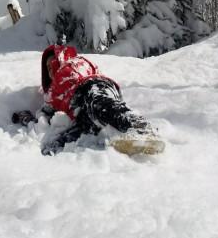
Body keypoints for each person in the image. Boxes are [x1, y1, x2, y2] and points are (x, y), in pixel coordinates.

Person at [12, 44, 155, 155]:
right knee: (53, 147)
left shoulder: (75, 63)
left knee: (99, 105)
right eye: (47, 68)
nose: (50, 69)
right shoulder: (53, 93)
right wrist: (27, 119)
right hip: (81, 114)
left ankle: (139, 127)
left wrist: (60, 65)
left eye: (52, 63)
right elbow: (44, 119)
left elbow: (88, 76)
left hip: (93, 87)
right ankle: (107, 143)